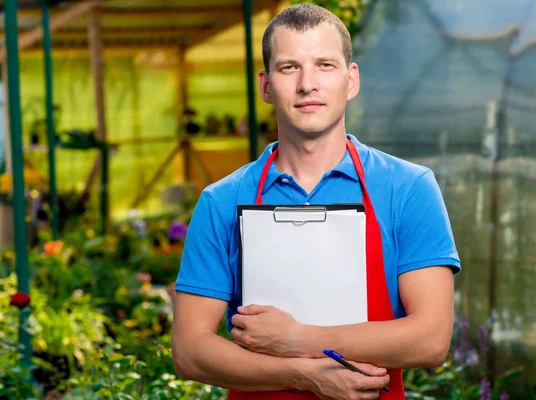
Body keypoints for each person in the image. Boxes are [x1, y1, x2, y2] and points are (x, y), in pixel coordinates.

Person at [172, 4, 461, 400]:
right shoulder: (221, 201)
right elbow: (190, 351)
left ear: (351, 79)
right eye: (289, 67)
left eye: (325, 65)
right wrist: (306, 375)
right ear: (266, 86)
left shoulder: (407, 189)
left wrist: (299, 339)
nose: (308, 84)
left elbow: (430, 340)